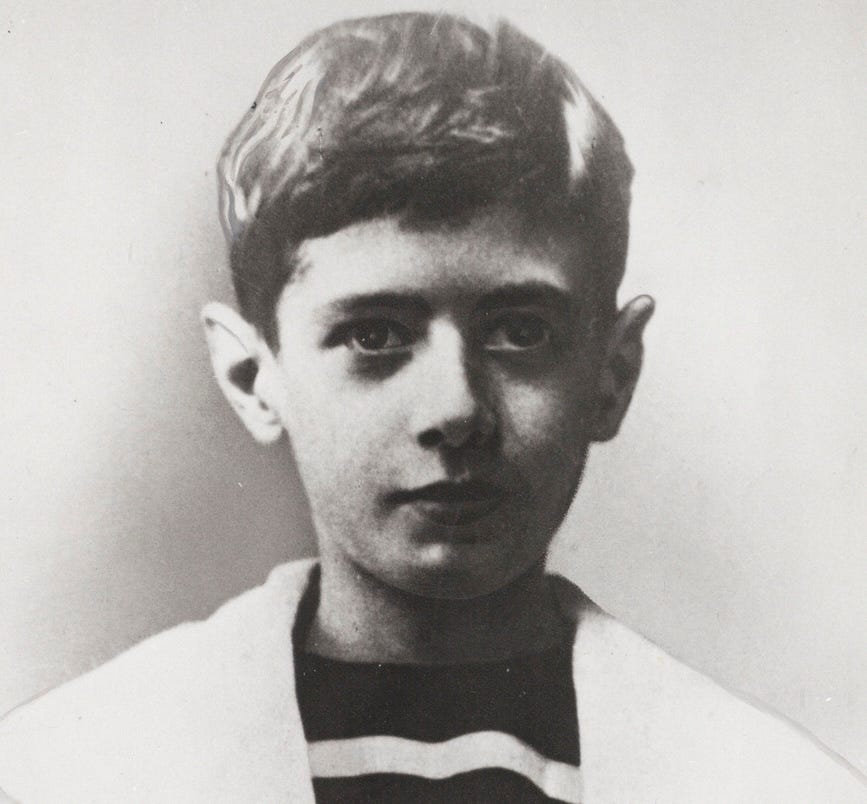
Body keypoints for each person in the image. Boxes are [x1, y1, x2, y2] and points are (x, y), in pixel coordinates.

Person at [0, 12, 864, 803]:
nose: (455, 410)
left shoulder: (775, 785)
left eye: (520, 332)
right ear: (252, 377)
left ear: (612, 373)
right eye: (374, 336)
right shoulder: (68, 771)